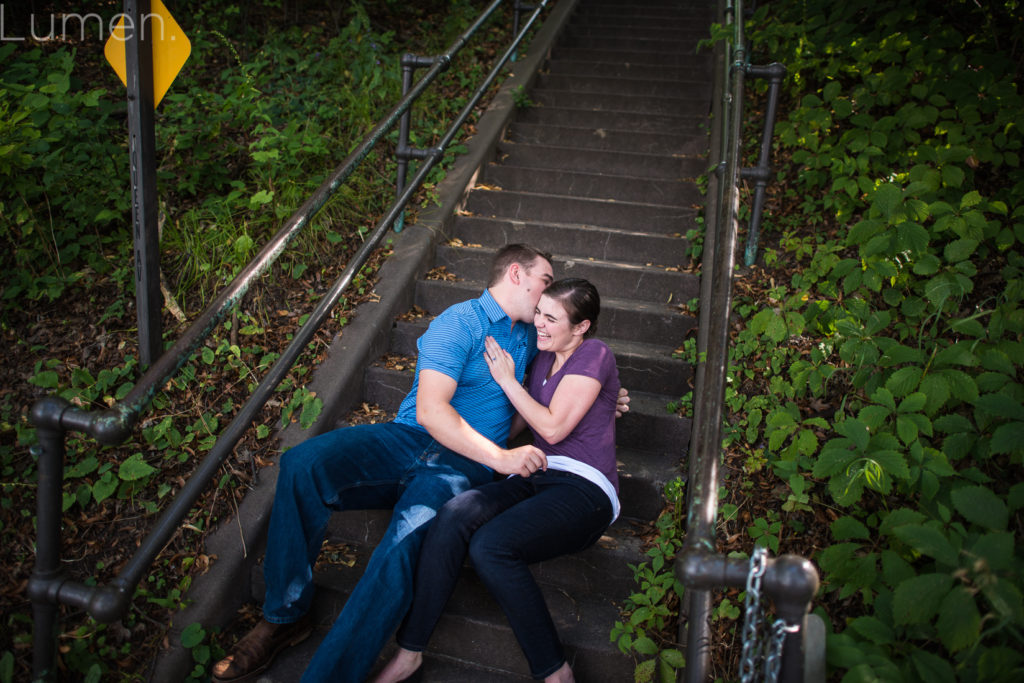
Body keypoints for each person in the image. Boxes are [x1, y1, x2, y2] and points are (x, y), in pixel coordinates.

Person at [211, 244, 556, 683]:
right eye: (545, 281)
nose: (548, 296)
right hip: (409, 437)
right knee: (303, 463)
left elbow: (554, 386)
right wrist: (502, 457)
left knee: (400, 543)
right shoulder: (460, 321)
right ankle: (284, 617)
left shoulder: (533, 334)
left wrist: (600, 396)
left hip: (460, 466)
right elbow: (432, 412)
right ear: (515, 274)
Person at [374, 278, 621, 683]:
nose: (538, 324)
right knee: (453, 514)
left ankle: (555, 671)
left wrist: (508, 381)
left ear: (581, 327)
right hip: (537, 473)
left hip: (585, 487)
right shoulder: (542, 359)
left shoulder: (594, 354)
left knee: (492, 545)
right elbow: (519, 423)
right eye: (538, 312)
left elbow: (555, 428)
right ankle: (410, 651)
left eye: (551, 318)